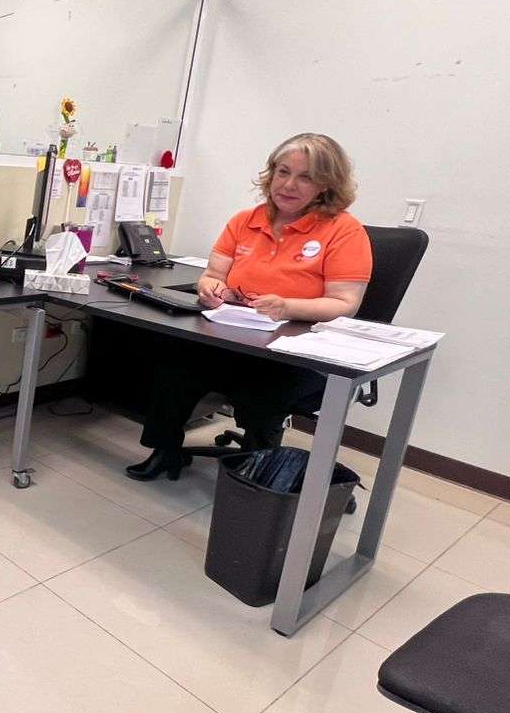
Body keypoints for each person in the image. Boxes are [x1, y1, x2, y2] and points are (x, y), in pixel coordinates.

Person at [126, 133, 373, 481]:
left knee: (264, 386)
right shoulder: (246, 220)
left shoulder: (343, 230)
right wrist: (212, 288)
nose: (289, 184)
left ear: (326, 185)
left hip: (298, 353)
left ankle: (258, 471)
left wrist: (287, 306)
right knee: (175, 361)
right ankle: (166, 450)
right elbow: (213, 275)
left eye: (305, 177)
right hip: (238, 336)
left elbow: (345, 303)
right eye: (283, 172)